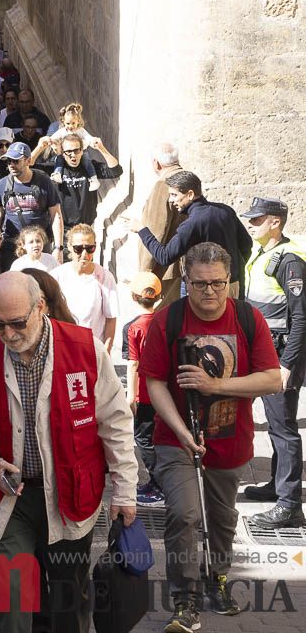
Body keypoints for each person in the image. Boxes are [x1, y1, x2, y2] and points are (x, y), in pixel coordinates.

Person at [0, 271, 138, 633]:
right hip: (9, 499)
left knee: (70, 600)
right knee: (12, 592)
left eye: (17, 323)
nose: (8, 335)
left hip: (71, 495)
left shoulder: (85, 348)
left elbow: (115, 424)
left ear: (41, 308)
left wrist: (125, 491)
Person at [139, 242, 283, 631]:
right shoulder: (167, 321)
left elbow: (272, 379)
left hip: (230, 438)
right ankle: (184, 601)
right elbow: (154, 383)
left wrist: (215, 385)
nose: (209, 292)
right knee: (184, 515)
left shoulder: (249, 319)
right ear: (186, 281)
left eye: (217, 283)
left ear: (230, 283)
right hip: (177, 436)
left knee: (222, 519)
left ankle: (216, 579)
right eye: (200, 284)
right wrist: (182, 431)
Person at [238, 198, 306, 529]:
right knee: (277, 423)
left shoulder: (289, 260)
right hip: (266, 352)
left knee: (283, 428)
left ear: (275, 222)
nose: (251, 224)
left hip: (279, 357)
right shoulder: (267, 253)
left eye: (257, 219)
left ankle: (290, 505)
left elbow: (301, 317)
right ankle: (277, 487)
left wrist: (288, 364)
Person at [130, 170, 253, 297]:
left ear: (190, 194)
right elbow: (246, 245)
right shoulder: (226, 210)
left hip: (205, 291)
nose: (171, 200)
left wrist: (142, 231)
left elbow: (164, 257)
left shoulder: (193, 223)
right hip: (231, 285)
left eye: (174, 195)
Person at [122, 271, 165, 506]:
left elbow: (133, 363)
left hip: (145, 395)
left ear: (132, 296)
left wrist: (131, 395)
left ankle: (159, 484)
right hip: (163, 392)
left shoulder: (133, 328)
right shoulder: (164, 323)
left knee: (144, 439)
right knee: (156, 438)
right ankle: (157, 482)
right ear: (158, 296)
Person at [0, 141, 63, 271]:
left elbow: (56, 214)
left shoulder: (43, 181)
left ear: (28, 160)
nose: (11, 165)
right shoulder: (3, 184)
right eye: (9, 161)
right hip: (12, 245)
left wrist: (58, 247)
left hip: (39, 244)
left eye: (16, 161)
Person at [33, 133, 122, 228]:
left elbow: (115, 170)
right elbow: (27, 167)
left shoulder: (90, 168)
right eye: (69, 151)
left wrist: (101, 148)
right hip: (63, 228)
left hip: (87, 227)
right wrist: (39, 147)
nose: (73, 155)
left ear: (82, 151)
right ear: (62, 153)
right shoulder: (55, 169)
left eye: (76, 150)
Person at [52, 224, 118, 350]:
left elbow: (111, 319)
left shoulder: (105, 277)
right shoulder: (57, 276)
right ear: (69, 247)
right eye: (78, 248)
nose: (84, 254)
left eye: (89, 248)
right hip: (63, 348)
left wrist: (106, 353)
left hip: (92, 350)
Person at [138, 143, 187, 307]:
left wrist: (145, 273)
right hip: (183, 265)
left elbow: (156, 231)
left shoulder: (163, 185)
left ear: (156, 163)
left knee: (162, 321)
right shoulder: (188, 179)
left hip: (166, 269)